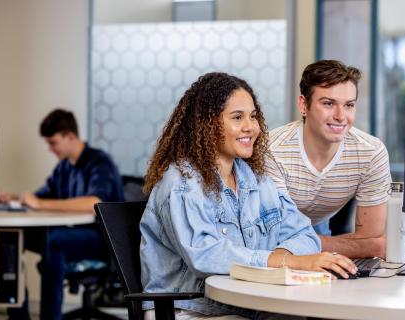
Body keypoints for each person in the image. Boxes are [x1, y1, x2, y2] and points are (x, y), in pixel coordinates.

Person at [140, 72, 357, 320]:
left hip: (251, 304)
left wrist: (284, 258)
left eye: (253, 116)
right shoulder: (182, 183)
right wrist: (285, 263)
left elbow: (304, 234)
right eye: (237, 117)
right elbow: (205, 256)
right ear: (207, 124)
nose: (250, 127)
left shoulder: (256, 179)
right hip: (191, 311)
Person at [0, 109, 125, 320]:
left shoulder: (100, 162)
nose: (50, 149)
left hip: (105, 240)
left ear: (70, 136)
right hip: (72, 235)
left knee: (53, 241)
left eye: (53, 143)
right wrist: (11, 198)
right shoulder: (64, 168)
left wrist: (39, 203)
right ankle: (18, 315)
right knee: (13, 237)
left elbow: (93, 202)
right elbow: (39, 199)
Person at [266, 60, 392, 259]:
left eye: (349, 105)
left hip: (320, 229)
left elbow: (371, 236)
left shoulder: (371, 153)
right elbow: (275, 236)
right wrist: (367, 247)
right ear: (303, 105)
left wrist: (367, 245)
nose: (341, 116)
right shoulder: (272, 150)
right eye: (328, 104)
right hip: (269, 232)